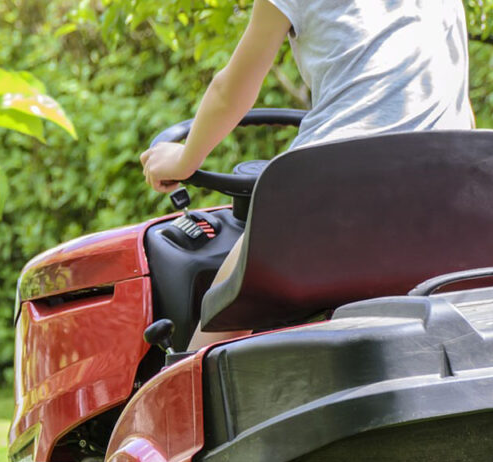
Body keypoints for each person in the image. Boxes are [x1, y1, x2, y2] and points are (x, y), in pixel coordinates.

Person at [140, 0, 474, 350]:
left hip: (336, 191)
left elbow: (230, 91)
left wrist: (183, 160)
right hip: (449, 201)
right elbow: (461, 110)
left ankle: (187, 390)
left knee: (224, 305)